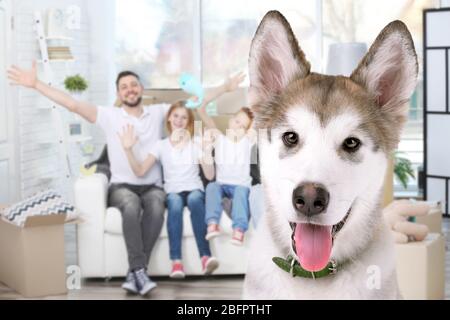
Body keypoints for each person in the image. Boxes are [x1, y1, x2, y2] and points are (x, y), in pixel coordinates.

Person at [8, 63, 167, 296]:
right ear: (118, 94)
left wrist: (224, 88)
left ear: (142, 88)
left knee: (155, 205)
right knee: (131, 206)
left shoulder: (158, 112)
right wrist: (36, 84)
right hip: (122, 186)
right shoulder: (109, 116)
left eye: (134, 84)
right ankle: (139, 270)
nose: (130, 89)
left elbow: (195, 105)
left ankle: (136, 272)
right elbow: (72, 104)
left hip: (153, 186)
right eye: (124, 87)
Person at [117, 74, 244, 278]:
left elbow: (210, 176)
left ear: (188, 123)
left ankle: (205, 257)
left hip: (194, 189)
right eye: (175, 116)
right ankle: (176, 262)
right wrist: (128, 150)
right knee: (175, 203)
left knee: (194, 199)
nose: (179, 120)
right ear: (169, 118)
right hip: (173, 192)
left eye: (184, 118)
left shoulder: (195, 142)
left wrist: (205, 153)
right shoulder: (160, 146)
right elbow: (140, 170)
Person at [196, 101, 255, 245]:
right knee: (211, 187)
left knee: (241, 192)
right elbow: (202, 112)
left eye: (243, 126)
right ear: (230, 121)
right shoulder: (220, 139)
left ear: (247, 131)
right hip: (222, 185)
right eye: (237, 121)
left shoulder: (247, 142)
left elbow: (258, 121)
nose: (238, 127)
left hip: (241, 186)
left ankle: (239, 230)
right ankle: (212, 224)